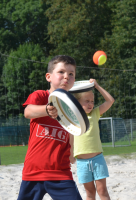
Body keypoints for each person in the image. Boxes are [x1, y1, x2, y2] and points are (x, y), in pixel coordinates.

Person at [17, 55, 82, 200]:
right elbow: (28, 112)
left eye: (71, 74)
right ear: (49, 77)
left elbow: (71, 130)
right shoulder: (40, 95)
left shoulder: (72, 106)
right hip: (33, 171)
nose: (66, 77)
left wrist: (71, 153)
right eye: (61, 72)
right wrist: (46, 109)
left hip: (61, 172)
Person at [72, 79, 114, 200]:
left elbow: (110, 101)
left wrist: (97, 86)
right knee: (90, 193)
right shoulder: (73, 117)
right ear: (77, 103)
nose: (91, 104)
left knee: (102, 191)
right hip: (82, 163)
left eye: (92, 101)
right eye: (87, 101)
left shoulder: (95, 113)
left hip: (97, 160)